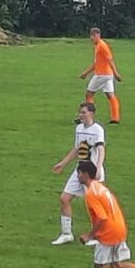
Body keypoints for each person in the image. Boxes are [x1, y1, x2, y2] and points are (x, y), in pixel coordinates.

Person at [50, 102, 106, 246]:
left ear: (91, 114)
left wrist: (98, 168)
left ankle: (97, 236)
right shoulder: (79, 128)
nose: (80, 115)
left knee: (94, 205)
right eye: (80, 112)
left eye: (83, 113)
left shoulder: (98, 130)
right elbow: (77, 149)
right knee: (64, 198)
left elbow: (100, 149)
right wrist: (63, 163)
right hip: (80, 170)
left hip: (91, 172)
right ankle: (66, 234)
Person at [79, 27, 122, 124]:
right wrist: (86, 73)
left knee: (89, 93)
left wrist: (116, 73)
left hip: (102, 75)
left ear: (98, 35)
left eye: (93, 36)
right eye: (91, 35)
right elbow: (96, 63)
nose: (91, 38)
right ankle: (115, 118)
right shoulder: (97, 45)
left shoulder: (102, 45)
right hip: (108, 75)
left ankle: (88, 117)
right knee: (110, 95)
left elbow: (110, 59)